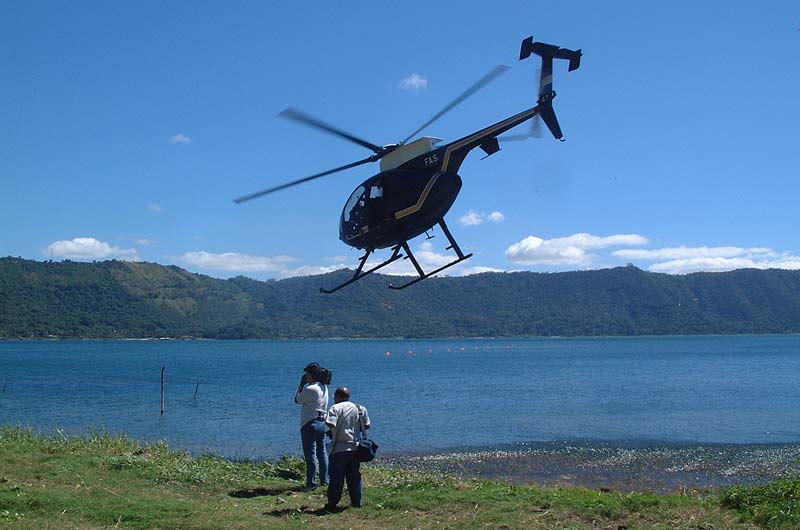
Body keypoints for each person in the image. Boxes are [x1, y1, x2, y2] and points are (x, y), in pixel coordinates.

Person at [324, 386, 370, 510]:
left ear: (337, 396)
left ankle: (333, 503)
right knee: (354, 477)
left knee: (336, 478)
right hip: (355, 448)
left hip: (338, 448)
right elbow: (367, 425)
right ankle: (357, 502)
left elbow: (330, 423)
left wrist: (333, 429)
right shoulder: (360, 408)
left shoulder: (335, 408)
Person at [294, 362, 329, 491]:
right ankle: (325, 480)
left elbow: (297, 400)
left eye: (307, 373)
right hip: (321, 422)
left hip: (309, 423)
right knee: (322, 452)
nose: (305, 375)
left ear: (310, 375)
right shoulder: (324, 387)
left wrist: (301, 384)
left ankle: (311, 483)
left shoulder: (310, 389)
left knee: (311, 455)